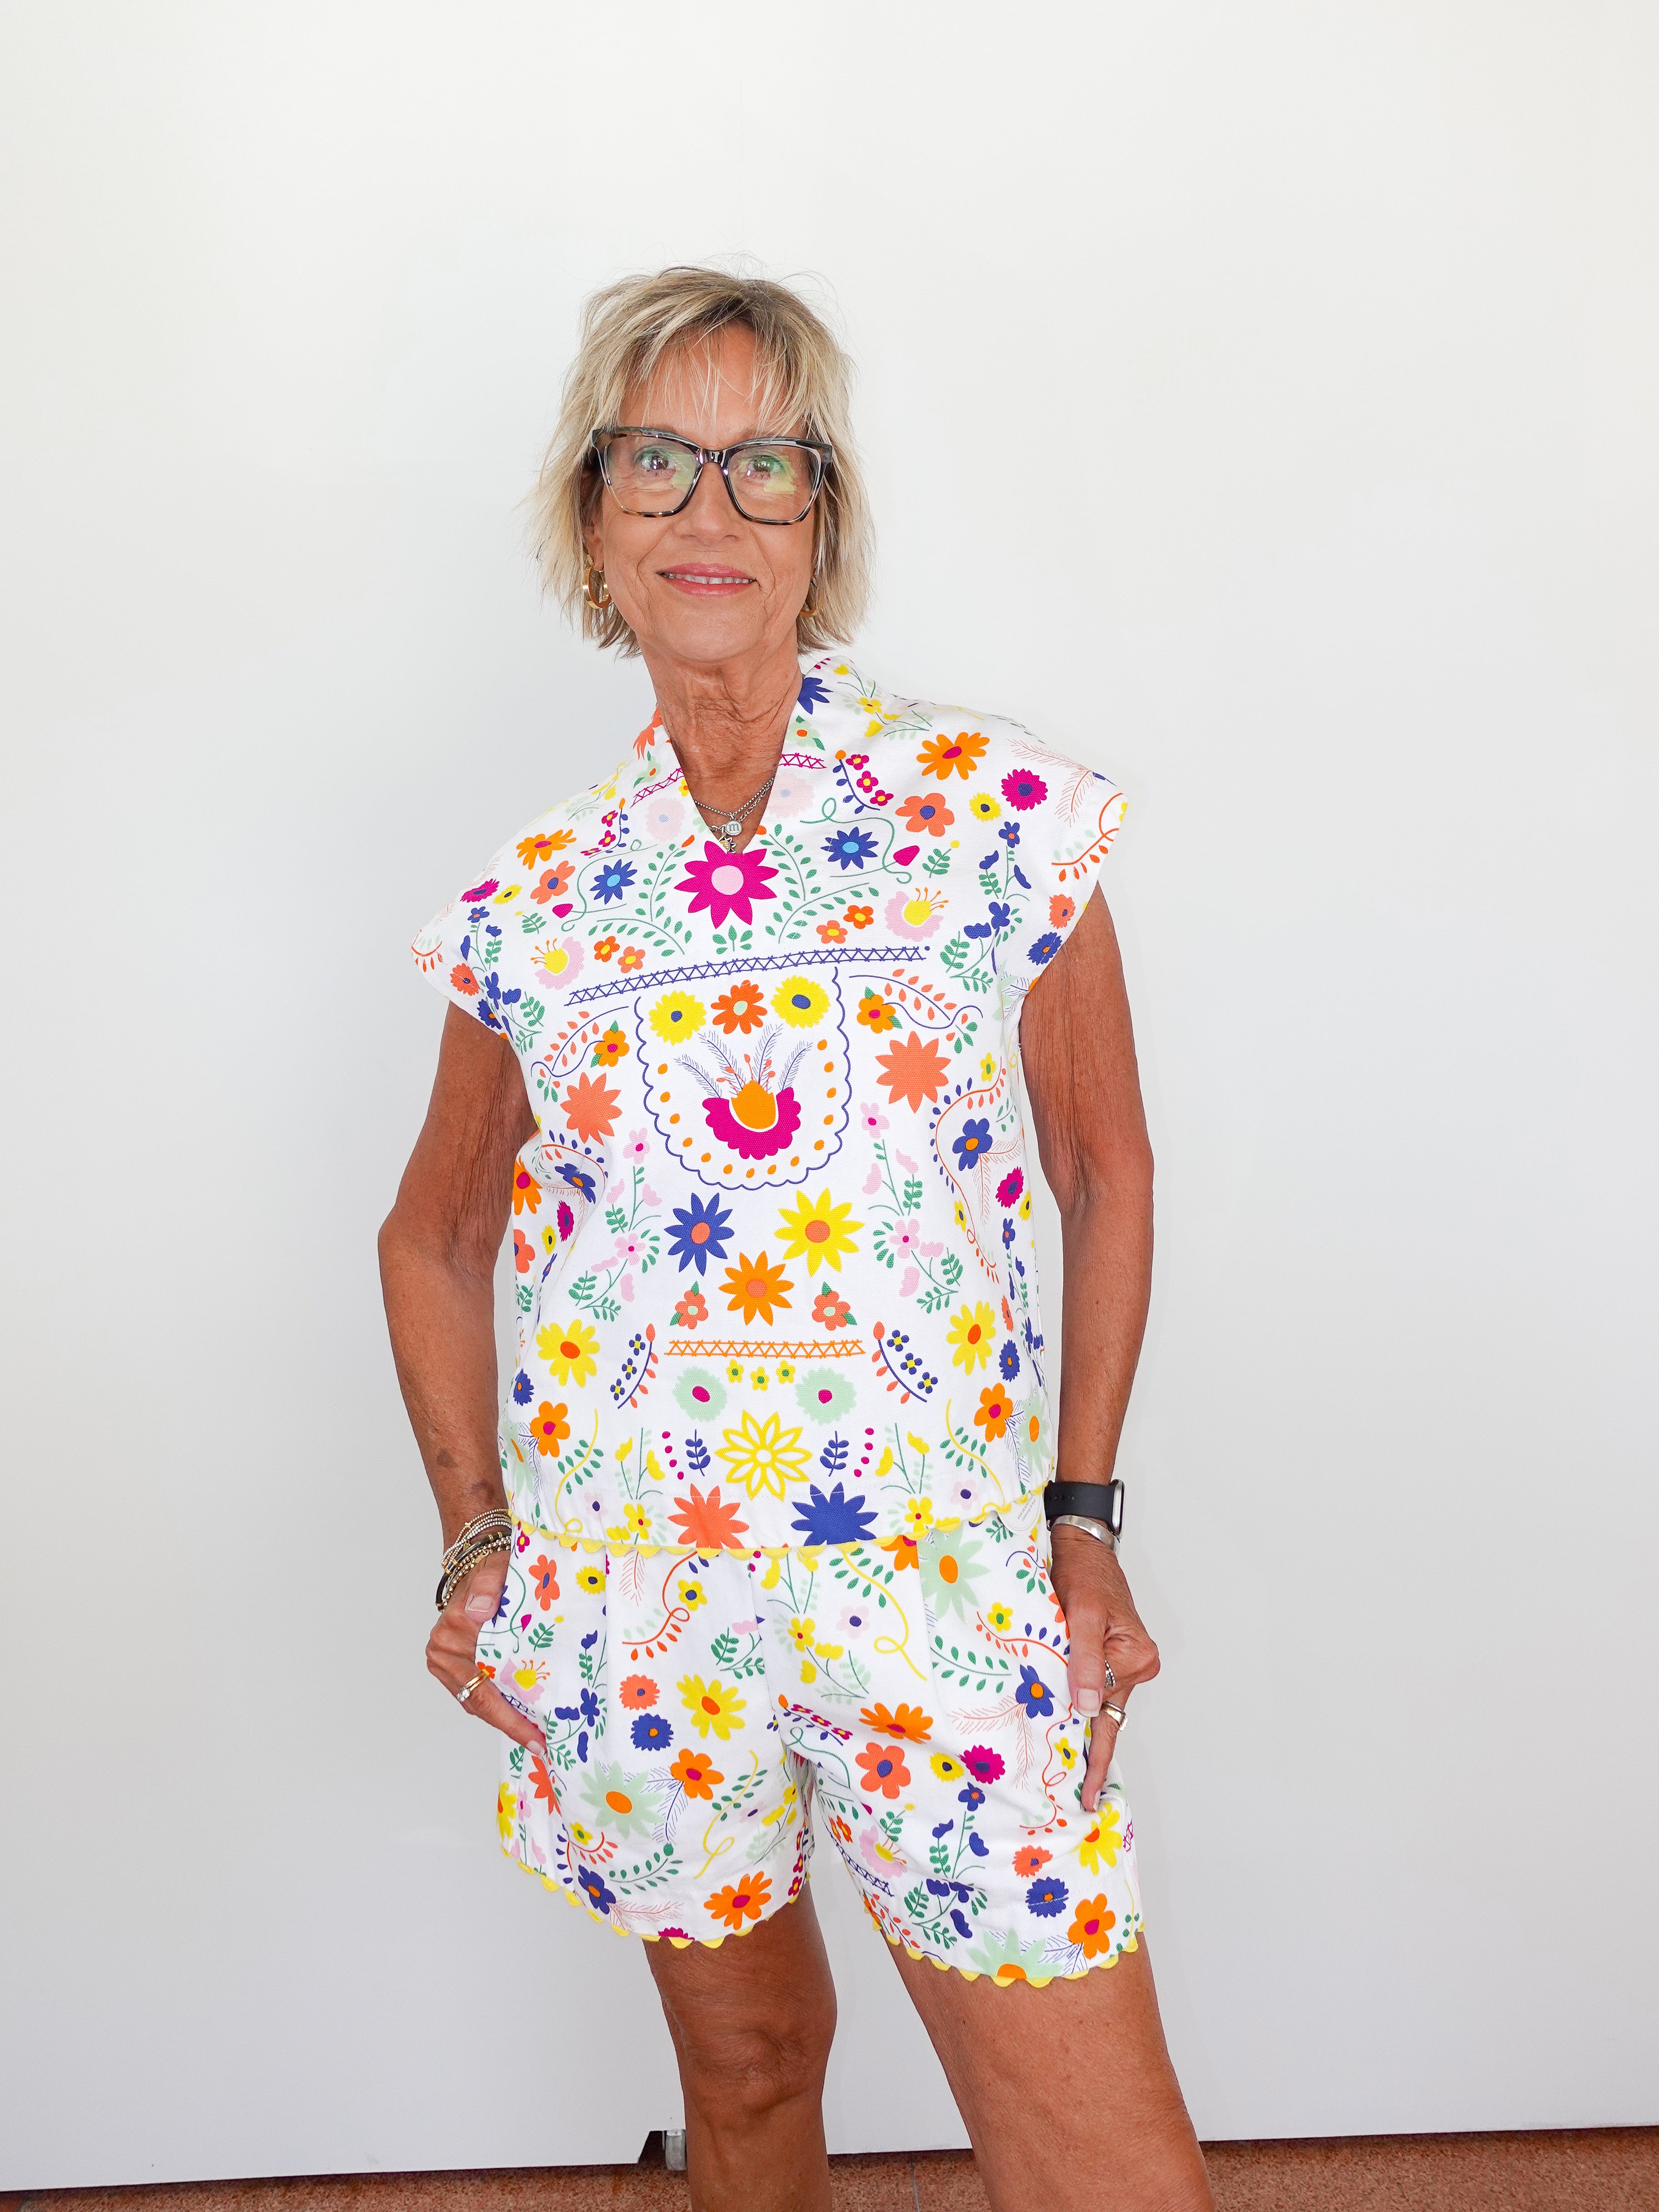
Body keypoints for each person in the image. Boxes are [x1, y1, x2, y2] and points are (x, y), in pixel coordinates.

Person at [379, 266, 1211, 2212]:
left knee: (1102, 2159)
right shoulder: (538, 907)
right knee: (750, 2071)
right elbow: (431, 1236)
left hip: (936, 1592)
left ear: (822, 519)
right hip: (645, 1613)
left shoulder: (996, 817)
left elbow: (1111, 1171)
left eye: (768, 463)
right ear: (593, 517)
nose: (711, 508)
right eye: (659, 457)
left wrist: (1082, 1512)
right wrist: (481, 1536)